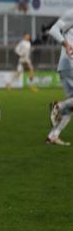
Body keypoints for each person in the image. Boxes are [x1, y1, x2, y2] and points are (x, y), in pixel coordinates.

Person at [47, 11, 73, 146]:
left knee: (70, 107)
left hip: (66, 65)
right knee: (68, 105)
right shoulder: (71, 14)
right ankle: (58, 106)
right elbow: (54, 30)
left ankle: (53, 136)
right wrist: (66, 44)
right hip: (70, 63)